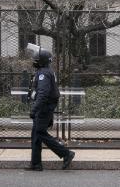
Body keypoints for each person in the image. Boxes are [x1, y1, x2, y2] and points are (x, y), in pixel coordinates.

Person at [26, 43, 75, 171]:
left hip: (43, 108)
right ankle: (36, 164)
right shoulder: (46, 71)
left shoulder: (43, 74)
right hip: (45, 107)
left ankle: (65, 153)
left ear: (41, 61)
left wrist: (34, 109)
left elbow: (43, 94)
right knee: (36, 134)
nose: (34, 61)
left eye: (36, 59)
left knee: (40, 133)